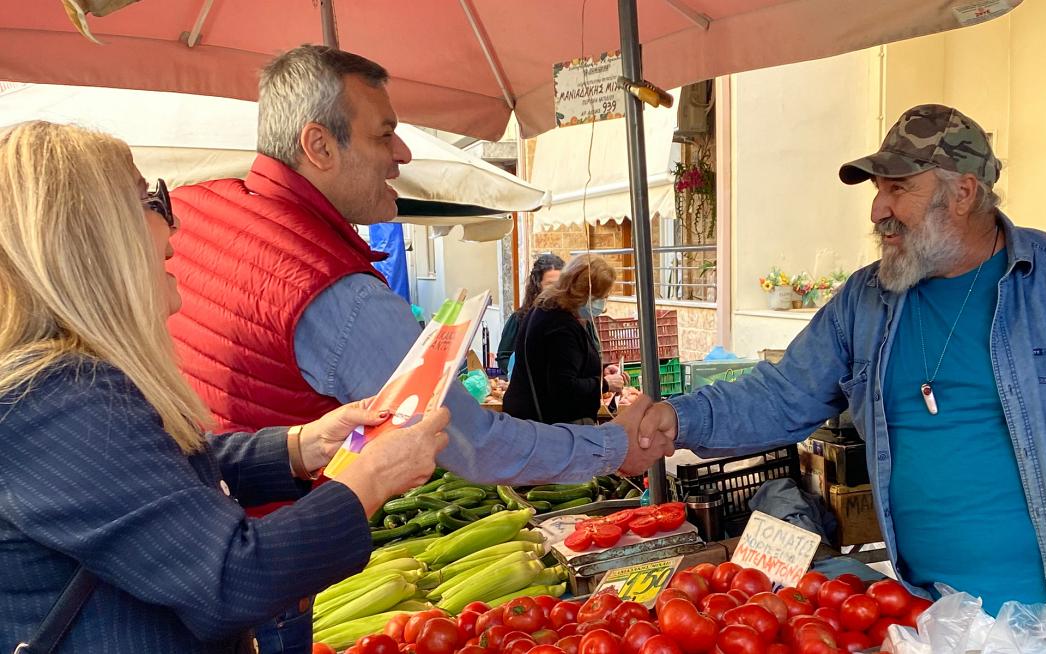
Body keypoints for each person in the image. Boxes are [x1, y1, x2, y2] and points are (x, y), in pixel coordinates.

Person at [164, 45, 668, 651]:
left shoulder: (198, 206)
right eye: (386, 134)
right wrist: (616, 446)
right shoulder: (333, 291)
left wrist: (311, 444)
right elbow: (474, 445)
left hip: (195, 544)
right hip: (265, 576)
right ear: (319, 146)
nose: (402, 153)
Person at [636, 104, 1046, 641]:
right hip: (924, 615)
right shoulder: (866, 299)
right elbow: (784, 395)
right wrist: (674, 419)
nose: (878, 210)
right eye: (878, 190)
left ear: (964, 193)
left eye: (898, 189)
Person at [0, 121, 451, 653]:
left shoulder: (63, 383)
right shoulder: (59, 399)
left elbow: (153, 475)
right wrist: (372, 477)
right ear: (94, 236)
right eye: (151, 199)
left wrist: (302, 446)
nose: (175, 225)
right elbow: (236, 577)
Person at [503, 255, 627, 424]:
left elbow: (564, 366)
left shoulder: (545, 310)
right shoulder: (560, 326)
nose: (602, 304)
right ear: (583, 293)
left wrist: (598, 372)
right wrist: (604, 384)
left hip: (534, 420)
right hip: (554, 428)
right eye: (601, 296)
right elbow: (563, 387)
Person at [496, 253, 565, 375]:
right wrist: (520, 373)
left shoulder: (571, 320)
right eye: (550, 285)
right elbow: (503, 357)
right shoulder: (520, 319)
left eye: (559, 285)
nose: (556, 290)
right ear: (538, 285)